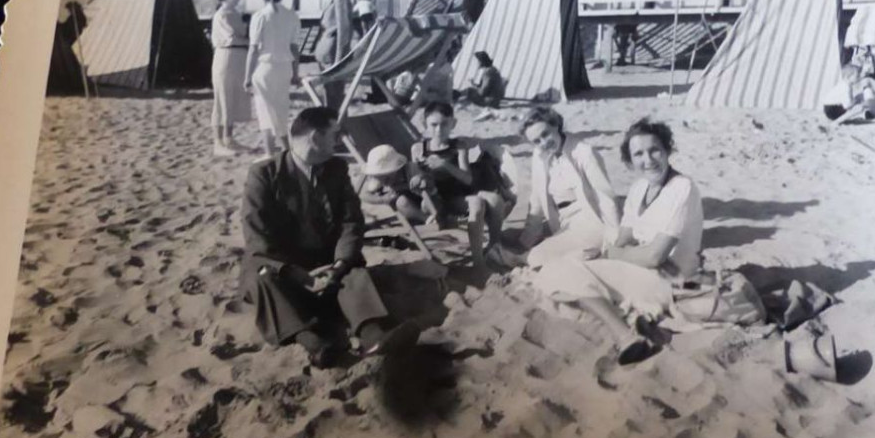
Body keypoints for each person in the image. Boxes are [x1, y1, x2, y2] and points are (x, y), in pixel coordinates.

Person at [241, 107, 421, 368]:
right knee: (261, 277)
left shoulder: (336, 168)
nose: (339, 141)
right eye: (334, 135)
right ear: (315, 138)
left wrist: (339, 263)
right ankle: (313, 343)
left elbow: (352, 221)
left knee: (353, 270)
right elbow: (256, 235)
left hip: (328, 261)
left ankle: (373, 336)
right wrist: (292, 272)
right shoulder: (265, 174)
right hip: (285, 266)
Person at [533, 118, 703, 365]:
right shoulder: (639, 187)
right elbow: (624, 237)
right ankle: (622, 323)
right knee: (564, 263)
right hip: (640, 269)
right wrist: (605, 254)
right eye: (639, 154)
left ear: (667, 149)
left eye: (655, 150)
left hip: (671, 281)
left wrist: (613, 255)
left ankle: (624, 336)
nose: (648, 160)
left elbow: (655, 256)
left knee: (563, 273)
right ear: (630, 160)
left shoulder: (682, 187)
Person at [404, 101, 512, 268]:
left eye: (444, 124)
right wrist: (421, 174)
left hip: (457, 196)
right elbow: (417, 178)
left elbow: (467, 179)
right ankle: (478, 262)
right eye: (434, 125)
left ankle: (494, 246)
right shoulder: (418, 148)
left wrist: (445, 165)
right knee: (477, 203)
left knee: (496, 200)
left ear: (452, 123)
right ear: (425, 124)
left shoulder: (459, 146)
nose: (439, 130)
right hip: (434, 201)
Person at [518, 105, 620, 267]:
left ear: (556, 124)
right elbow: (537, 201)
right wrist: (526, 241)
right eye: (536, 141)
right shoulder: (539, 156)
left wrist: (613, 241)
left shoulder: (584, 153)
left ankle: (591, 257)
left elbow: (606, 198)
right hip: (561, 223)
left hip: (590, 221)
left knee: (536, 257)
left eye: (545, 134)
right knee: (532, 250)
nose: (543, 143)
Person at [244, 0, 302, 157]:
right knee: (281, 110)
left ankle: (270, 154)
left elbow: (253, 48)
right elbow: (294, 48)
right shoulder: (292, 16)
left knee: (265, 112)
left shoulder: (260, 16)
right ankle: (286, 151)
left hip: (265, 68)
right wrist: (295, 74)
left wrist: (247, 77)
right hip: (284, 68)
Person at [210, 0, 251, 156]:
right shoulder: (221, 15)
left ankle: (229, 139)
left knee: (233, 99)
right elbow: (234, 37)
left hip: (239, 58)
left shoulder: (236, 14)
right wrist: (252, 42)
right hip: (226, 57)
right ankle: (218, 143)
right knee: (222, 100)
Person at [313, 0, 355, 108]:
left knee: (335, 96)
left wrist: (339, 60)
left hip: (332, 56)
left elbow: (344, 29)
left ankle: (339, 125)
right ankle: (332, 123)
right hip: (326, 55)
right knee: (329, 94)